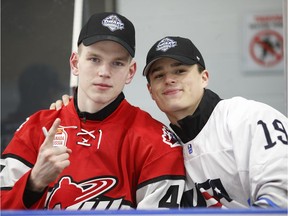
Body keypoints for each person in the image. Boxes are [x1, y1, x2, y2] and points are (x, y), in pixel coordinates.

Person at [0, 13, 186, 210]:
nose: (104, 72)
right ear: (75, 63)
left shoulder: (156, 142)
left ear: (130, 72)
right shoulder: (37, 128)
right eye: (94, 59)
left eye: (117, 63)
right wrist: (34, 183)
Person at [142, 36, 288, 208]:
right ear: (151, 91)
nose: (169, 80)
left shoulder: (249, 117)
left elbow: (281, 197)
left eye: (180, 71)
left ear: (204, 78)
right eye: (159, 75)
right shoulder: (164, 147)